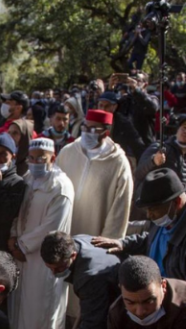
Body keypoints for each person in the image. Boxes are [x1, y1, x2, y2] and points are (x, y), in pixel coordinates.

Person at [8, 138, 75, 329]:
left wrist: (23, 245)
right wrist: (15, 238)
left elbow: (51, 226)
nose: (35, 162)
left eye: (40, 159)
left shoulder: (61, 186)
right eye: (32, 158)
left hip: (44, 255)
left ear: (52, 159)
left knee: (41, 301)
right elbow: (19, 210)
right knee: (23, 300)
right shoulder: (29, 177)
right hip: (22, 251)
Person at [93, 168, 186, 280]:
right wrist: (124, 244)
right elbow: (152, 239)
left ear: (176, 202)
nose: (148, 215)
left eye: (153, 209)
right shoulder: (166, 218)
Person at [56, 109, 132, 241]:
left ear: (105, 133)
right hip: (62, 231)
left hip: (92, 238)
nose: (86, 133)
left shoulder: (118, 162)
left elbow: (120, 207)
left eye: (92, 130)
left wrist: (108, 240)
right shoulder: (68, 152)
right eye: (85, 127)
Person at [136, 114, 186, 183]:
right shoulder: (160, 147)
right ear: (177, 129)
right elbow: (138, 173)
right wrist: (153, 161)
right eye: (184, 127)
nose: (185, 132)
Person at [97, 91, 147, 161]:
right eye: (101, 105)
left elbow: (137, 145)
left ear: (114, 106)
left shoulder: (123, 123)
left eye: (107, 106)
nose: (103, 109)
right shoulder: (92, 121)